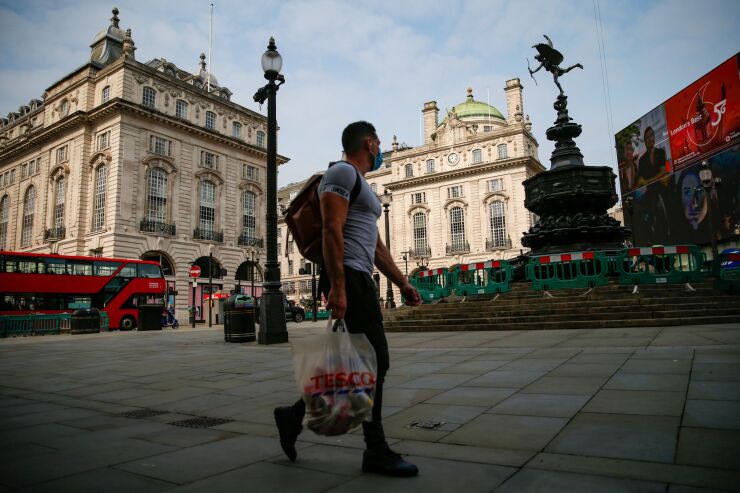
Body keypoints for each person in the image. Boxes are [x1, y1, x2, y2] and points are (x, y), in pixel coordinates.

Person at [273, 121, 423, 477]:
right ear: (369, 143)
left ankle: (292, 416)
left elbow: (374, 245)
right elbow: (330, 228)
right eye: (379, 144)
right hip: (348, 277)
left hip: (358, 276)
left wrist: (402, 282)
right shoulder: (341, 172)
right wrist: (338, 286)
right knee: (376, 361)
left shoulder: (363, 187)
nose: (381, 149)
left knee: (357, 363)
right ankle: (376, 449)